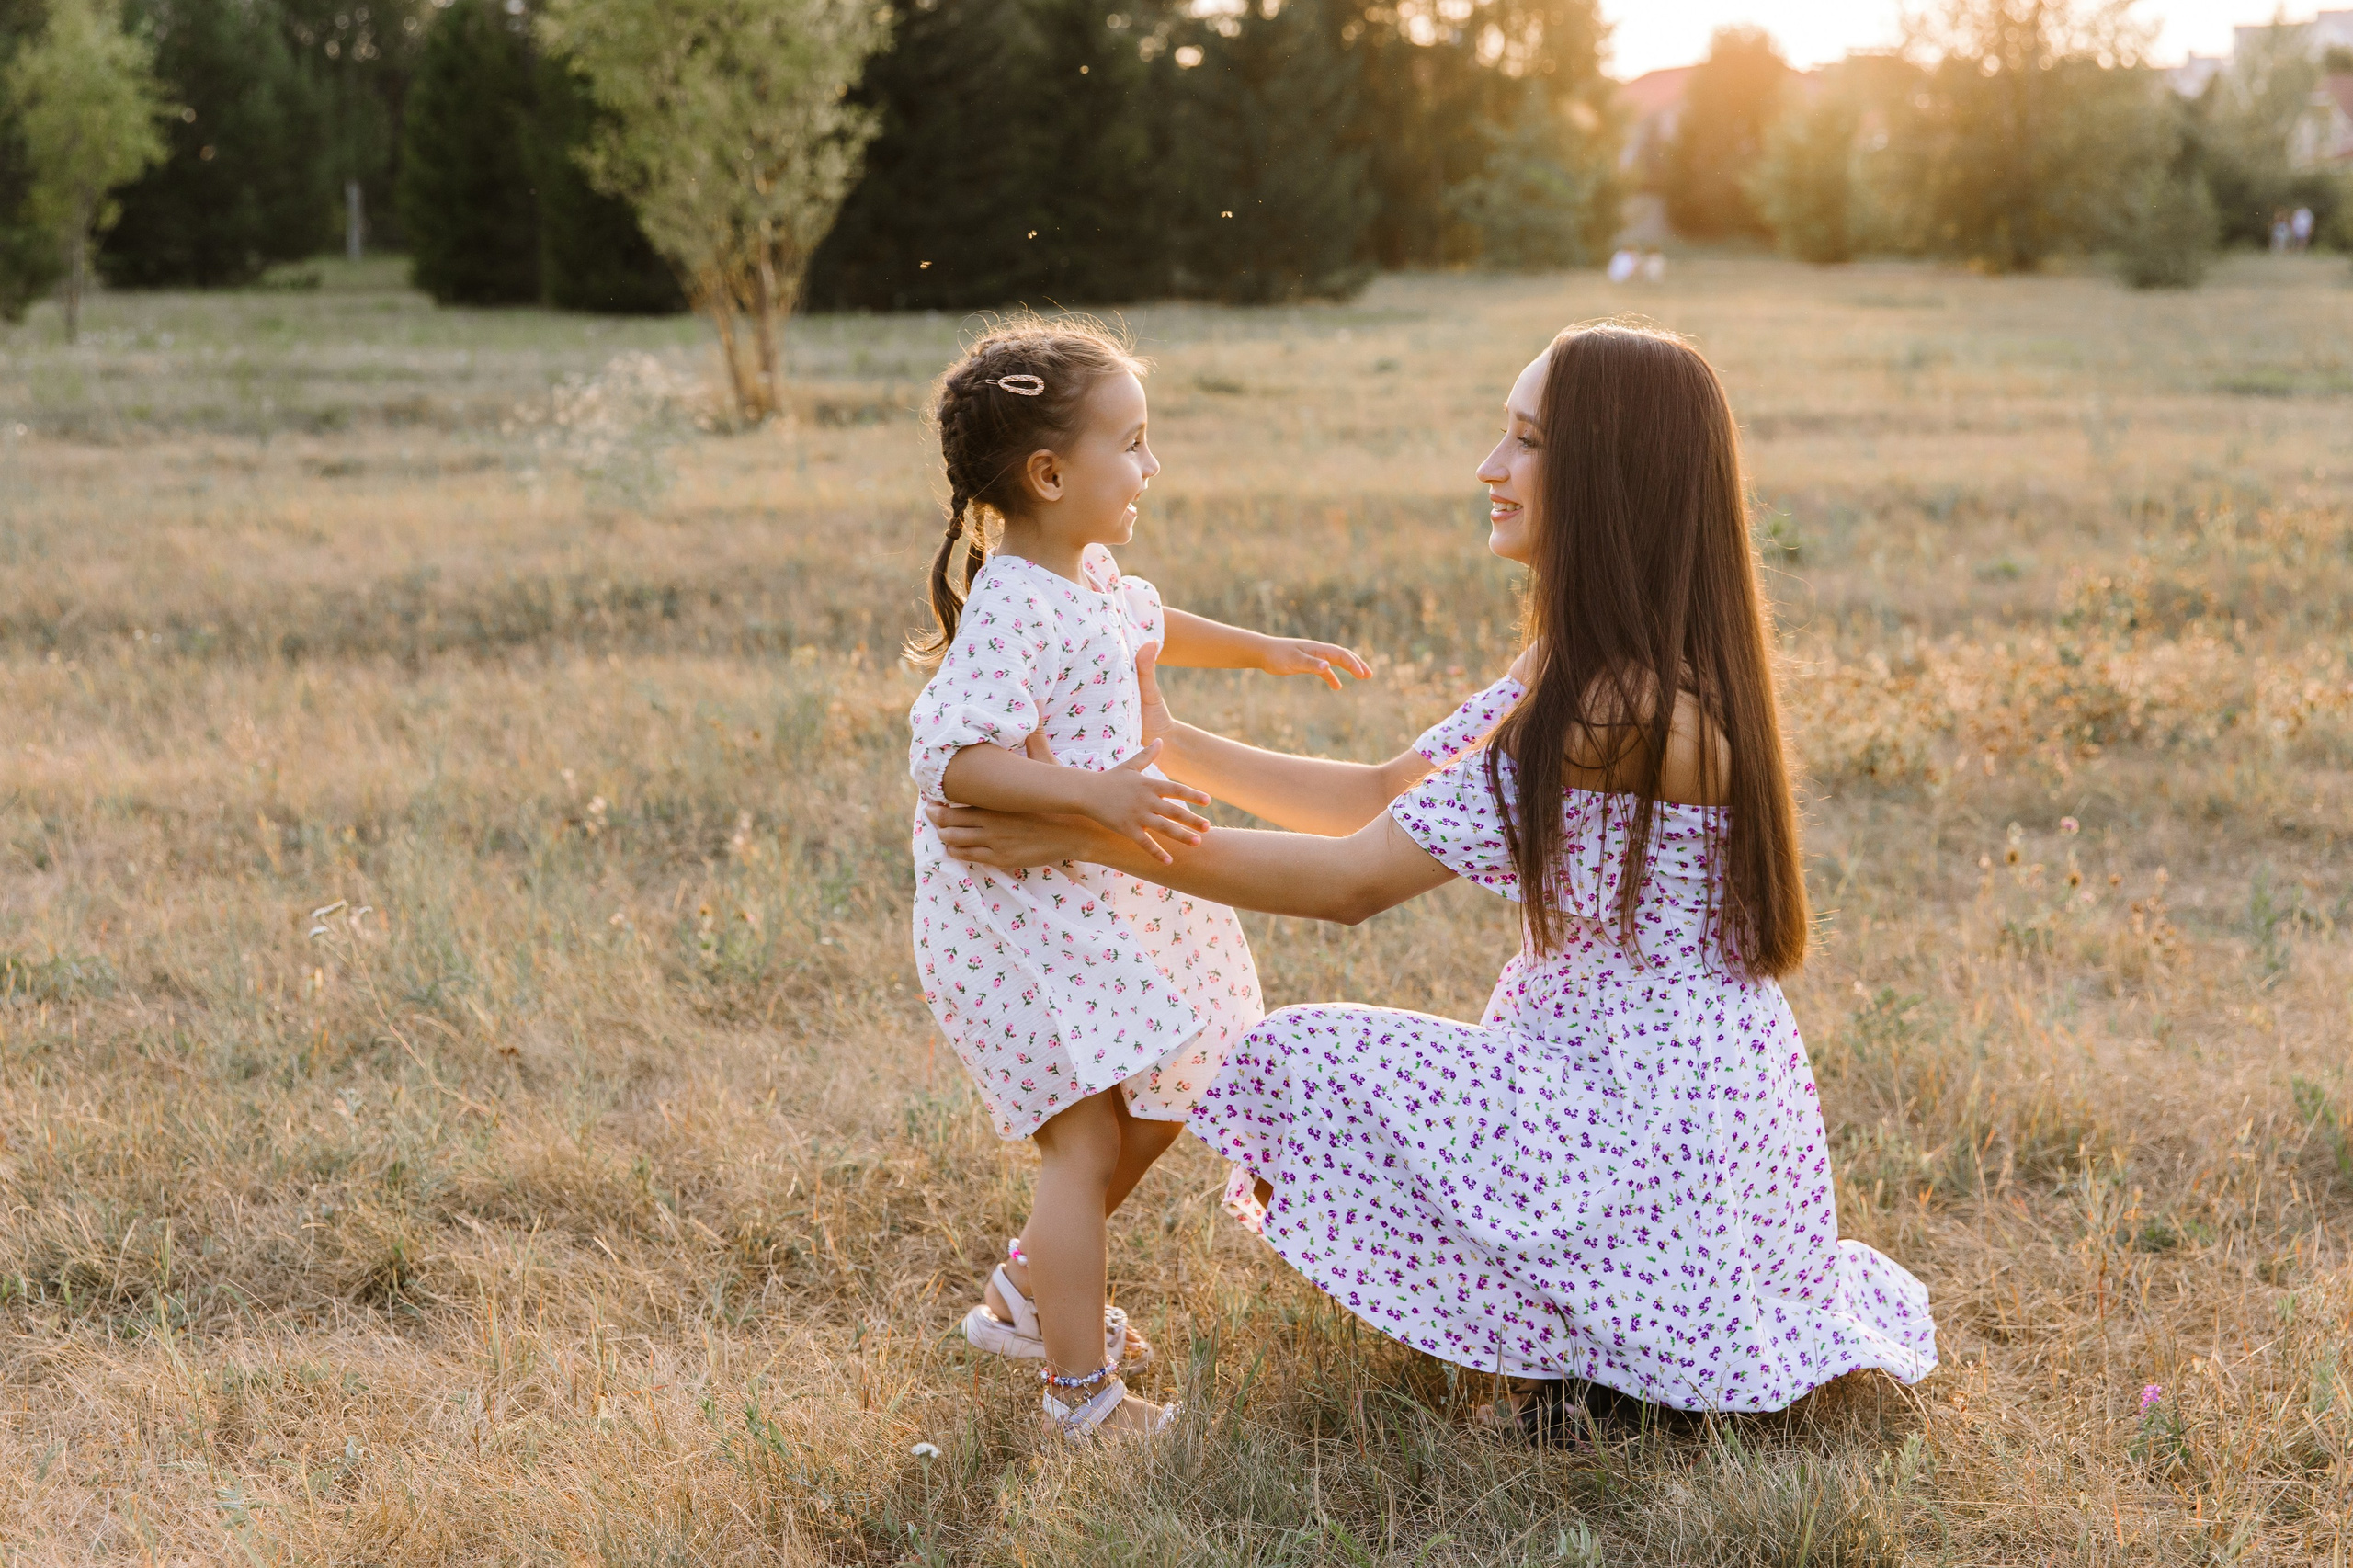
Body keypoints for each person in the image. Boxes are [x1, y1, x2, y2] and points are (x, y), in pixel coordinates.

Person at [930, 321, 1940, 1425]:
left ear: (1609, 477)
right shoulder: (1578, 665)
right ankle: (1592, 1347)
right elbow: (1373, 792)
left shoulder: (1610, 707)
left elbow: (1351, 880)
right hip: (1642, 1092)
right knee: (1323, 1066)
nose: (1488, 468)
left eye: (1524, 440)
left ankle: (1608, 1351)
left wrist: (1087, 833)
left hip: (1651, 1125)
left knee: (1288, 1058)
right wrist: (1145, 750)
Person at [904, 316, 1378, 1440]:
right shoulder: (1015, 603)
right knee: (1082, 1142)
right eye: (1133, 442)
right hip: (1014, 918)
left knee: (1172, 1090)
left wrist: (1267, 648)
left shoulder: (1094, 574)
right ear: (1050, 472)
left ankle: (1029, 1289)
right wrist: (1097, 798)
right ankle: (1081, 1397)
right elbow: (951, 760)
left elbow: (1150, 621)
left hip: (1093, 895)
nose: (1151, 467)